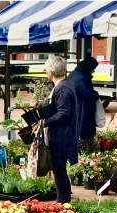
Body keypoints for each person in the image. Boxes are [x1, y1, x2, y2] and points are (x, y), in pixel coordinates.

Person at [41, 56, 79, 203]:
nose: (45, 71)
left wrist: (45, 122)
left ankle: (63, 200)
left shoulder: (62, 88)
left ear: (51, 71)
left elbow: (63, 112)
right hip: (63, 133)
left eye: (46, 69)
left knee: (59, 168)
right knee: (58, 168)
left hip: (62, 135)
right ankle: (62, 198)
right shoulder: (64, 85)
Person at [67, 56, 100, 152]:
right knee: (84, 143)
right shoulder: (82, 79)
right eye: (93, 68)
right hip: (82, 112)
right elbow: (90, 96)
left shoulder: (73, 74)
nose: (93, 71)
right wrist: (96, 94)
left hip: (74, 111)